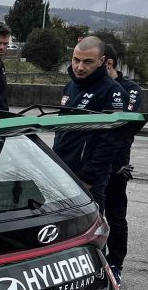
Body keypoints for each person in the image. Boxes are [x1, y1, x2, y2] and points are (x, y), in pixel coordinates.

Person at [52, 36, 127, 213]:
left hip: (87, 179)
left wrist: (88, 178)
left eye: (88, 62)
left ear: (101, 61)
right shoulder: (70, 86)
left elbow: (111, 141)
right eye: (76, 60)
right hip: (61, 171)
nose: (79, 67)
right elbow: (61, 131)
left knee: (89, 233)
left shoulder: (112, 91)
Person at [102, 42, 143, 284]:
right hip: (93, 163)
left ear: (108, 63)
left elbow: (124, 125)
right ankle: (98, 261)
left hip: (117, 163)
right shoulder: (92, 87)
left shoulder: (130, 89)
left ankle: (116, 263)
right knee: (94, 215)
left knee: (116, 215)